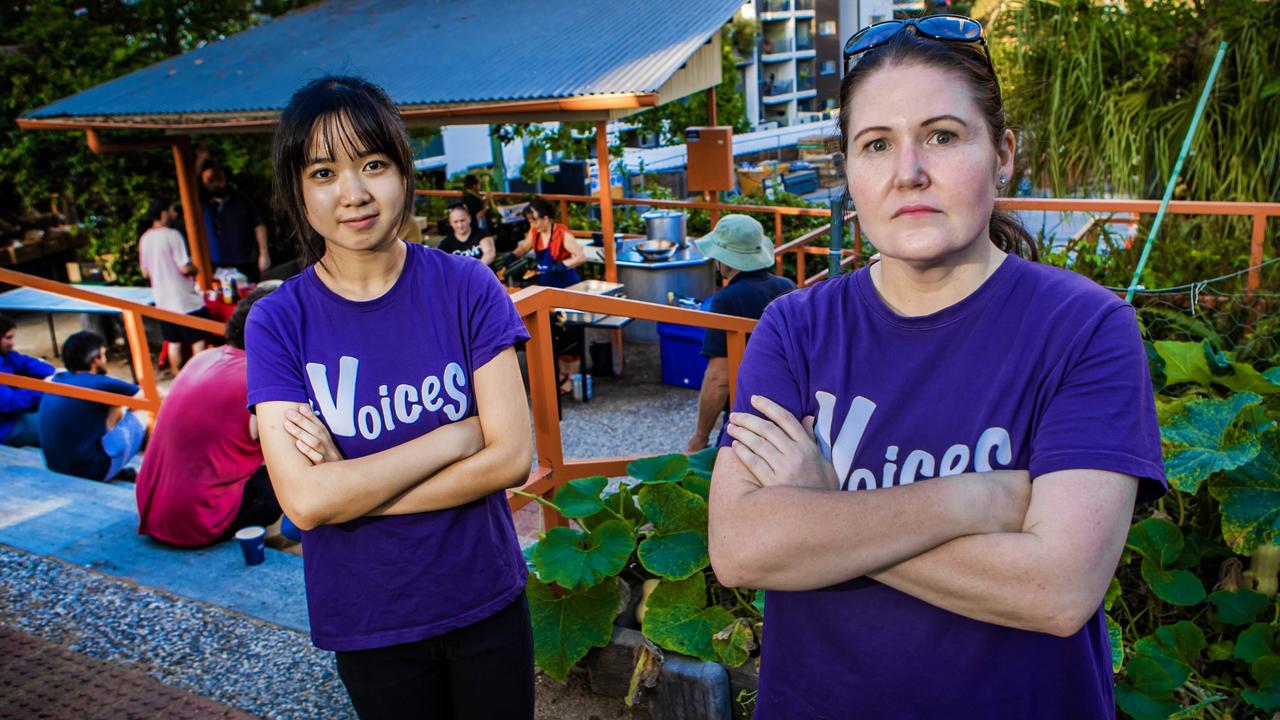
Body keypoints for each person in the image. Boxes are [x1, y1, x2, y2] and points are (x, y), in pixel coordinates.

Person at [707, 16, 1165, 720]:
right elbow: (741, 548)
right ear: (850, 168)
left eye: (943, 136)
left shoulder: (1084, 328)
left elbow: (1057, 590)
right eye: (877, 144)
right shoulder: (796, 328)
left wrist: (821, 513)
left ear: (1003, 152)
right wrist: (969, 502)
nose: (908, 172)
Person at [246, 76, 534, 718]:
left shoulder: (467, 287)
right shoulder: (279, 321)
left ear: (403, 171)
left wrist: (350, 490)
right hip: (369, 617)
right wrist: (456, 437)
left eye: (372, 164)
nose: (352, 193)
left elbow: (512, 457)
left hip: (484, 597)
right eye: (324, 171)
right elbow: (305, 499)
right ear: (297, 189)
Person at [136, 286, 280, 547]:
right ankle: (271, 540)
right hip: (195, 522)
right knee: (285, 473)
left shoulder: (203, 357)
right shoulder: (261, 380)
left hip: (150, 508)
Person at [685, 215, 794, 452]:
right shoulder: (787, 287)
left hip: (744, 415)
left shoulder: (727, 300)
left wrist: (699, 437)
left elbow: (719, 378)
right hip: (790, 411)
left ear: (724, 259)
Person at [38, 331, 154, 482]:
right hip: (92, 471)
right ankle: (153, 471)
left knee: (114, 405)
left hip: (56, 466)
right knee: (144, 409)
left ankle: (114, 462)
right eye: (104, 355)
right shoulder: (102, 383)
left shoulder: (58, 378)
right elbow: (153, 397)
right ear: (95, 360)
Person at [513, 197, 588, 393]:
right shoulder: (535, 232)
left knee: (570, 333)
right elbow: (524, 247)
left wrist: (561, 266)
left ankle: (573, 377)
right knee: (556, 334)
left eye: (535, 220)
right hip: (547, 291)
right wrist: (511, 257)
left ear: (546, 218)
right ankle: (563, 373)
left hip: (567, 289)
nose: (533, 224)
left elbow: (580, 256)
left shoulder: (562, 234)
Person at [138, 199, 211, 371]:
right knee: (198, 339)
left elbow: (145, 272)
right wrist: (196, 269)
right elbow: (184, 267)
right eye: (172, 210)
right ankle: (198, 377)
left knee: (173, 342)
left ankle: (178, 377)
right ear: (163, 213)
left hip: (163, 300)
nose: (175, 214)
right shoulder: (173, 235)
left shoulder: (145, 238)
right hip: (184, 299)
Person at [202, 166, 271, 281]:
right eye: (211, 181)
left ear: (225, 180)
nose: (216, 184)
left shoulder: (241, 199)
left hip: (246, 260)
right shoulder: (203, 203)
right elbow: (189, 184)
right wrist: (200, 159)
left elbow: (258, 225)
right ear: (205, 184)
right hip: (217, 263)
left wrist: (264, 253)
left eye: (219, 180)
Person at [0, 313, 55, 447]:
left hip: (14, 415)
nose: (13, 343)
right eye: (8, 338)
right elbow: (12, 402)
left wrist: (53, 374)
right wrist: (44, 386)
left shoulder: (5, 355)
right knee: (60, 424)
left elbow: (25, 362)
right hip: (7, 428)